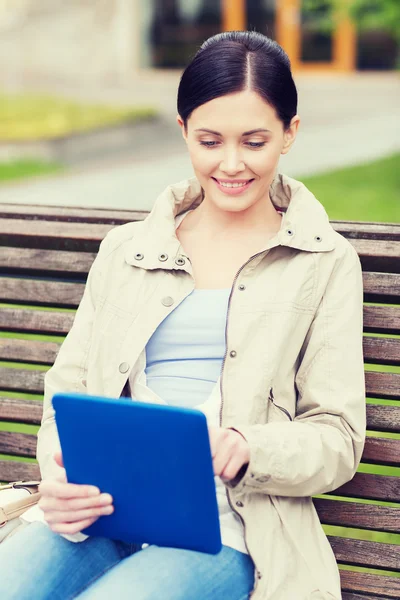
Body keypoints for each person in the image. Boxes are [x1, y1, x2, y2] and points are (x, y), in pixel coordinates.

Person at [0, 30, 366, 600]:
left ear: (290, 134)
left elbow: (339, 438)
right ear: (183, 132)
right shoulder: (127, 249)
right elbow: (68, 389)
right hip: (99, 513)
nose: (231, 163)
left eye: (254, 141)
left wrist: (250, 446)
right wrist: (57, 479)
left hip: (230, 532)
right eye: (210, 140)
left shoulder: (325, 263)